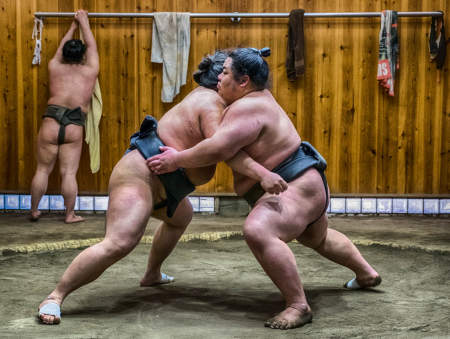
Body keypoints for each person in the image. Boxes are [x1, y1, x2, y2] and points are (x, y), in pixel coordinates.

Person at [37, 50, 287, 325]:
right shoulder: (210, 103)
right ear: (220, 81)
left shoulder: (217, 103)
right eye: (227, 73)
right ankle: (55, 296)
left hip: (165, 185)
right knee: (120, 242)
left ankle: (152, 273)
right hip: (141, 175)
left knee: (181, 216)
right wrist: (262, 173)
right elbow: (224, 150)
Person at [147, 47, 382, 330]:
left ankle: (298, 305)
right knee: (316, 239)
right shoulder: (258, 101)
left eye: (224, 73)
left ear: (243, 81)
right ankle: (366, 274)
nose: (217, 78)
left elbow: (218, 148)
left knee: (259, 230)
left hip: (293, 185)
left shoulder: (248, 107)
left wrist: (177, 159)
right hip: (306, 183)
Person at [30, 10, 99, 223]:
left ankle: (33, 211)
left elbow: (61, 48)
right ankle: (70, 215)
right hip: (74, 124)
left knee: (42, 169)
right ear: (83, 55)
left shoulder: (54, 66)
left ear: (64, 54)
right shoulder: (90, 70)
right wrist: (84, 22)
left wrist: (72, 27)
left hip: (51, 121)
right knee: (69, 173)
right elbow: (92, 46)